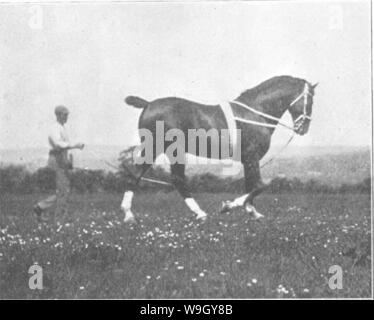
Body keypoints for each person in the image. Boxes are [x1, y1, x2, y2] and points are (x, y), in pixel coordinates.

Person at [33, 105, 84, 222]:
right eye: (65, 115)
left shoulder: (62, 128)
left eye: (67, 115)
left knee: (63, 191)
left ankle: (40, 207)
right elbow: (58, 144)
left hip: (62, 160)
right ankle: (59, 221)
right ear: (59, 115)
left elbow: (64, 147)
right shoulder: (55, 128)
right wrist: (75, 145)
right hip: (57, 160)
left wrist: (69, 161)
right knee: (63, 191)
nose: (67, 117)